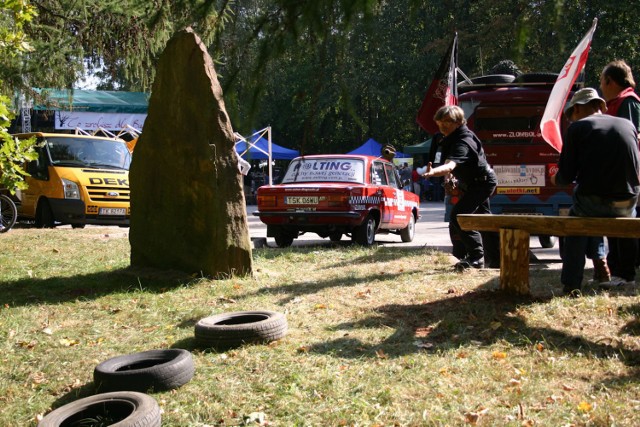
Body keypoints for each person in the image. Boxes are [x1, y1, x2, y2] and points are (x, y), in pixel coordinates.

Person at [551, 88, 640, 295]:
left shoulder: (578, 128)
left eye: (571, 114)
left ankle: (571, 283)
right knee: (625, 219)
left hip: (593, 201)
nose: (571, 119)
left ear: (579, 108)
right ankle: (626, 276)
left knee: (575, 221)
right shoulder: (628, 124)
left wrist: (555, 178)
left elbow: (566, 176)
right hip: (628, 202)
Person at [422, 105, 499, 270]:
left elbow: (451, 164)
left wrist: (434, 172)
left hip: (482, 183)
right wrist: (450, 178)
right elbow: (451, 165)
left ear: (457, 122)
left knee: (458, 215)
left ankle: (476, 257)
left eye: (446, 123)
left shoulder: (463, 141)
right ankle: (498, 258)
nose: (442, 127)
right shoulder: (450, 137)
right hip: (473, 182)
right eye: (440, 123)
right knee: (485, 220)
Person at [600, 60, 640, 285]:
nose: (601, 87)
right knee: (613, 222)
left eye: (602, 81)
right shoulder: (616, 102)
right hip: (615, 174)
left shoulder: (628, 102)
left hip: (626, 175)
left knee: (623, 222)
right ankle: (617, 271)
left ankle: (626, 274)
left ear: (610, 81)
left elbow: (629, 139)